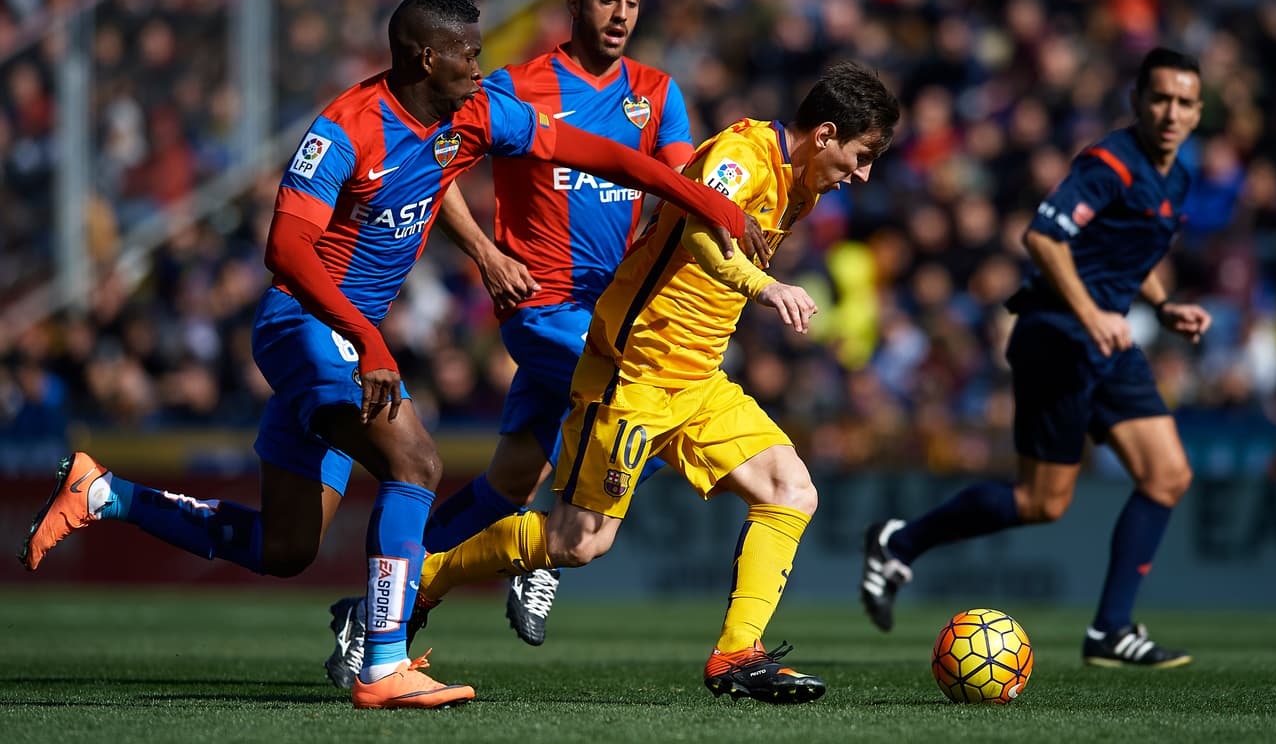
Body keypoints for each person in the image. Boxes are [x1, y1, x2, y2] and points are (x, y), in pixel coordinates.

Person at [18, 0, 767, 711]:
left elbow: (596, 153)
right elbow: (286, 248)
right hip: (304, 331)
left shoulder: (470, 116)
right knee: (416, 461)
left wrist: (708, 203)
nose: (482, 67)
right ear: (423, 59)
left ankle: (104, 492)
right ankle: (383, 660)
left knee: (285, 549)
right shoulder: (345, 128)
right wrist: (369, 338)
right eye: (467, 54)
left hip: (349, 341)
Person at [393, 60, 900, 704]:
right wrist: (765, 287)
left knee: (791, 490)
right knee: (577, 544)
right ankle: (419, 583)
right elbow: (694, 229)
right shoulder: (742, 156)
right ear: (825, 133)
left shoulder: (801, 183)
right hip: (634, 372)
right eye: (860, 156)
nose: (861, 175)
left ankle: (735, 656)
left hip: (698, 379)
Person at [321, 0, 693, 688]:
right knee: (649, 395)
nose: (620, 14)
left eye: (632, 0)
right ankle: (544, 552)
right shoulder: (518, 85)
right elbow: (436, 166)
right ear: (574, 1)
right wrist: (488, 254)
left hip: (610, 310)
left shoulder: (659, 90)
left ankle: (379, 612)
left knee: (506, 485)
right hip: (543, 306)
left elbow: (675, 186)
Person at [860, 46, 1209, 669]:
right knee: (1041, 503)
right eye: (1160, 98)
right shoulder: (1109, 163)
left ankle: (1110, 630)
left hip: (1110, 339)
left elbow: (1135, 253)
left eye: (1184, 102)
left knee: (1168, 475)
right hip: (1059, 336)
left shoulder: (1176, 175)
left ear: (1198, 110)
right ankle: (900, 542)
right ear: (1138, 101)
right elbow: (1044, 237)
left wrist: (1164, 304)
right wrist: (1093, 313)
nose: (1171, 112)